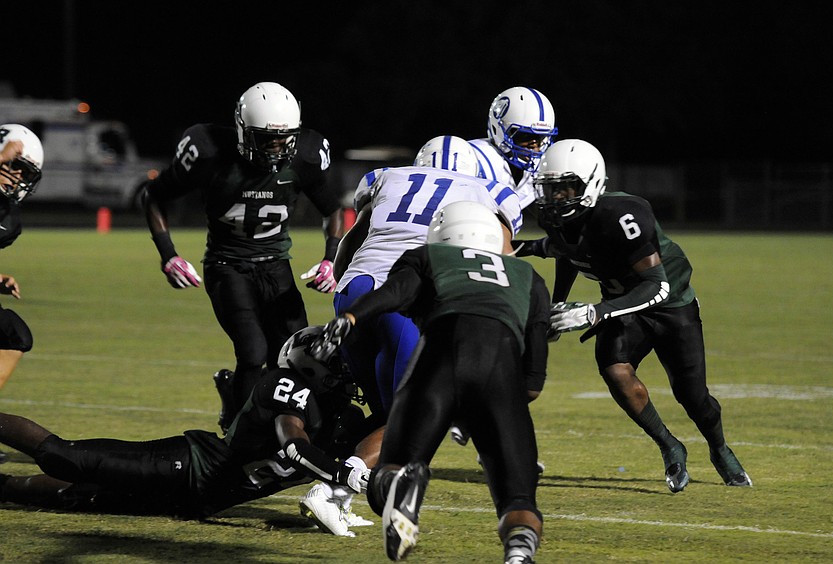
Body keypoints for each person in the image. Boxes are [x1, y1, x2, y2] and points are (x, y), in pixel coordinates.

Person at [313, 201, 550, 563]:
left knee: (392, 468)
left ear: (441, 234)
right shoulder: (528, 278)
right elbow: (532, 382)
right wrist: (480, 413)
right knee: (518, 497)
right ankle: (518, 553)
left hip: (438, 357)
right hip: (500, 372)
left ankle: (400, 487)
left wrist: (350, 317)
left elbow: (393, 294)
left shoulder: (427, 257)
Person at [517, 138, 752, 492]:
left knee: (693, 397)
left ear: (591, 183)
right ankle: (669, 445)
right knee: (614, 368)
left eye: (566, 189)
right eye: (551, 189)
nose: (556, 198)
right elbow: (567, 252)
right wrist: (558, 304)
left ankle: (719, 448)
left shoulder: (623, 214)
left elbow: (656, 286)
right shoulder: (561, 219)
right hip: (620, 302)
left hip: (669, 303)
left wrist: (596, 313)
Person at [0, 327, 374, 534]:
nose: (344, 368)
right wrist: (346, 475)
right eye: (335, 362)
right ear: (308, 366)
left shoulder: (340, 414)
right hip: (185, 467)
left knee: (74, 496)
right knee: (63, 457)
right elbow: (294, 445)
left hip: (198, 500)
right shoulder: (287, 387)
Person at [143, 82, 345, 433]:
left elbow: (333, 210)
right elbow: (154, 196)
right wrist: (169, 256)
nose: (276, 146)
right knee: (253, 352)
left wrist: (331, 259)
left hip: (276, 265)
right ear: (242, 129)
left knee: (294, 355)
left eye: (283, 138)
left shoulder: (304, 157)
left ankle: (258, 410)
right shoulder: (209, 155)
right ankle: (241, 433)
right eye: (266, 137)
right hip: (227, 266)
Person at [332, 135, 523, 419]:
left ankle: (342, 456)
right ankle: (353, 464)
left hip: (354, 288)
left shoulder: (388, 176)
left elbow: (350, 244)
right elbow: (504, 260)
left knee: (382, 412)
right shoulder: (489, 190)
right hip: (406, 299)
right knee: (404, 419)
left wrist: (344, 286)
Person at [0, 124, 44, 464]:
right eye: (12, 165)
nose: (15, 176)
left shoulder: (8, 219)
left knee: (12, 332)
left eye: (22, 171)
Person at [468, 86, 558, 209]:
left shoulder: (539, 167)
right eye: (525, 135)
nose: (534, 145)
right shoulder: (471, 156)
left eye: (540, 137)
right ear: (498, 129)